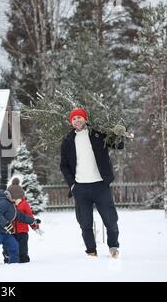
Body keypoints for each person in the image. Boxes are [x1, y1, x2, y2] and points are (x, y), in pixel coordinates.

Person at [60, 108, 128, 258]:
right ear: (71, 122)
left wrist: (119, 133)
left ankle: (113, 247)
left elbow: (119, 145)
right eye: (74, 119)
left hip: (100, 186)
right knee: (85, 223)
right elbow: (63, 165)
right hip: (80, 188)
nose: (77, 121)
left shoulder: (97, 134)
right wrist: (72, 184)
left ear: (85, 119)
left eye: (79, 117)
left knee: (110, 220)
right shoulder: (67, 141)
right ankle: (91, 251)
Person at [2, 177, 40, 263]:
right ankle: (8, 257)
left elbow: (29, 216)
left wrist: (35, 226)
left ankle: (23, 257)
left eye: (17, 199)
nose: (15, 201)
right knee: (9, 245)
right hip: (10, 230)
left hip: (22, 231)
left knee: (22, 247)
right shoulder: (7, 204)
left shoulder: (24, 204)